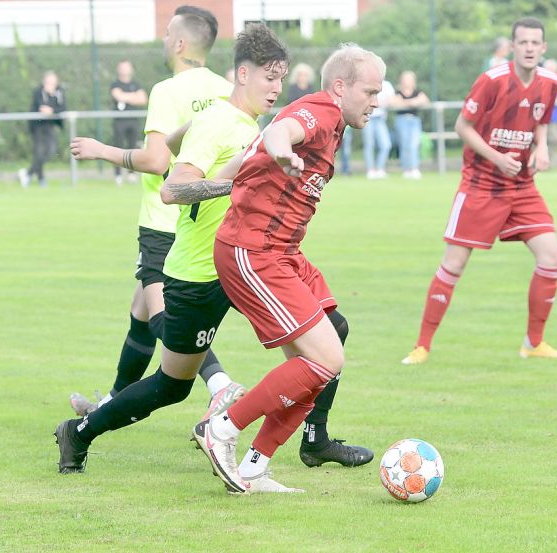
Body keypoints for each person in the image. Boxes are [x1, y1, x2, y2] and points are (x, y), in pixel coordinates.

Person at [55, 23, 291, 476]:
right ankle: (79, 432)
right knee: (172, 386)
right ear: (243, 74)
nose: (276, 88)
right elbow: (172, 190)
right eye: (269, 77)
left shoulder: (239, 118)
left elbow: (175, 141)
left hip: (242, 266)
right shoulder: (223, 120)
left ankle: (295, 446)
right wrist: (235, 182)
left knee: (318, 336)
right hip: (199, 274)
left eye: (281, 78)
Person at [161, 28, 373, 473]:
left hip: (285, 250)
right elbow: (282, 132)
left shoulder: (334, 126)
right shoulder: (320, 111)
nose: (376, 101)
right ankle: (222, 427)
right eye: (370, 91)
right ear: (340, 87)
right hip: (254, 249)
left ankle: (257, 465)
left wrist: (257, 164)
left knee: (328, 342)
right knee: (325, 359)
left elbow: (259, 148)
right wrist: (281, 154)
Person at [401, 17, 557, 366]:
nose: (528, 48)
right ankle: (422, 346)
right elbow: (462, 126)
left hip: (523, 186)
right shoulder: (492, 81)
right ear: (512, 46)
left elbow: (541, 120)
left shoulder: (549, 82)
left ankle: (533, 343)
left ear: (543, 48)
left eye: (534, 43)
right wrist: (497, 158)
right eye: (522, 42)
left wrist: (541, 149)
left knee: (552, 258)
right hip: (481, 186)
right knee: (453, 264)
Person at [19, 71, 66, 188]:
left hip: (50, 125)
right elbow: (41, 107)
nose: (51, 85)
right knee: (39, 153)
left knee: (51, 151)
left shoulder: (60, 92)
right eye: (48, 82)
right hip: (38, 126)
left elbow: (62, 108)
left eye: (53, 82)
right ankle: (41, 179)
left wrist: (52, 109)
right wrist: (48, 96)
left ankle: (28, 173)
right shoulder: (38, 92)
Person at [111, 60, 148, 185]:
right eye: (122, 67)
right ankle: (117, 175)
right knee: (117, 147)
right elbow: (118, 96)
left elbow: (143, 99)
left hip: (133, 120)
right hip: (120, 121)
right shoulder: (115, 84)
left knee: (133, 147)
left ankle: (131, 173)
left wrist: (126, 97)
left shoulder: (135, 84)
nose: (125, 70)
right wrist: (133, 97)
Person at [391, 70, 430, 179]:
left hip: (414, 121)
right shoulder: (397, 92)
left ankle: (414, 168)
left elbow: (425, 101)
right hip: (401, 120)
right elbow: (393, 103)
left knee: (414, 144)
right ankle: (406, 169)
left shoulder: (418, 92)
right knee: (404, 145)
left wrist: (405, 103)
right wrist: (413, 102)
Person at [363, 79, 394, 179]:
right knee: (369, 144)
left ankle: (380, 169)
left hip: (380, 119)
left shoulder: (387, 85)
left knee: (386, 145)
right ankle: (370, 170)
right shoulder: (366, 83)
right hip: (368, 117)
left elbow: (392, 100)